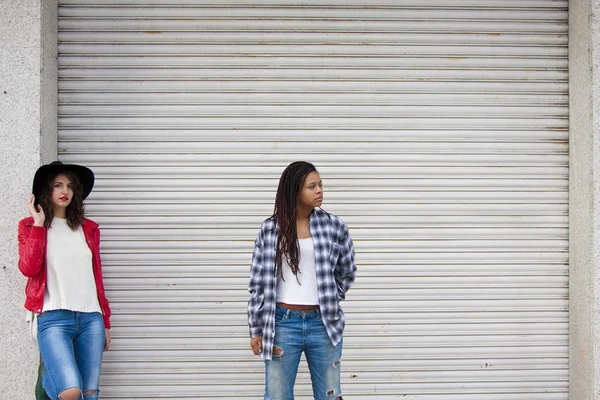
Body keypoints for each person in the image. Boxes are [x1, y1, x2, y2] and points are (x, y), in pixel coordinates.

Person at [248, 161, 357, 400]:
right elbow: (258, 284)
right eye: (311, 186)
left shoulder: (334, 226)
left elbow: (347, 270)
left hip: (324, 323)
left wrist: (329, 296)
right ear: (295, 190)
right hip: (282, 324)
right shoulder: (270, 230)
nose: (319, 190)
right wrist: (256, 329)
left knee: (330, 395)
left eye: (320, 185)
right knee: (277, 396)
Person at [18, 161, 111, 400]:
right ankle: (49, 379)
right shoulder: (29, 226)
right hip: (52, 317)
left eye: (70, 186)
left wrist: (106, 321)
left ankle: (53, 375)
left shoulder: (87, 229)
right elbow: (29, 268)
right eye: (58, 185)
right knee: (70, 391)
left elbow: (96, 278)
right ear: (47, 190)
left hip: (91, 318)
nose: (64, 191)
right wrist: (39, 225)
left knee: (89, 393)